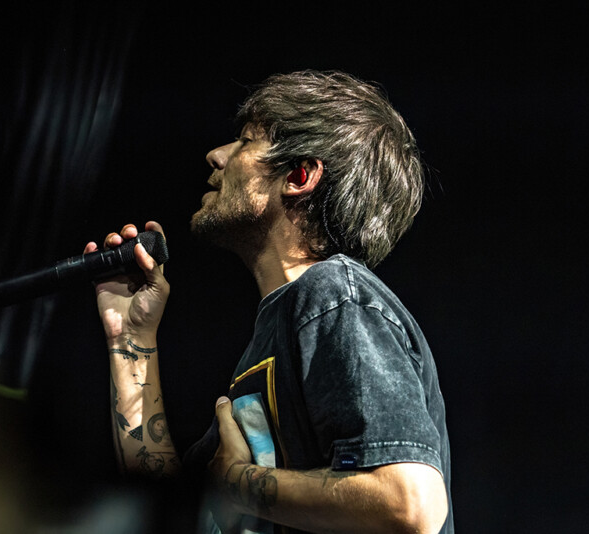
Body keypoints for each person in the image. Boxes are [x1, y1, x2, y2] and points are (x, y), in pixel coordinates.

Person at [83, 70, 453, 533]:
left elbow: (408, 503)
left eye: (245, 141)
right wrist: (130, 338)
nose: (217, 155)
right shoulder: (282, 332)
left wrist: (238, 483)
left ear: (298, 176)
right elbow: (166, 511)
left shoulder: (335, 296)